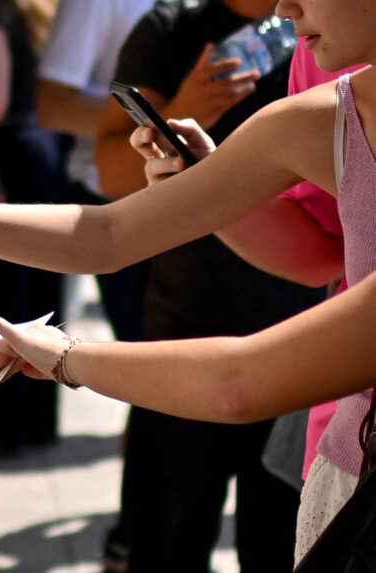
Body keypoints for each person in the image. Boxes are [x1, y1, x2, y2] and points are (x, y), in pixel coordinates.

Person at [0, 0, 376, 562]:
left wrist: (66, 358)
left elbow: (240, 382)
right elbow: (107, 234)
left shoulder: (324, 107)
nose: (282, 5)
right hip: (345, 461)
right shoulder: (321, 114)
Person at [93, 1, 326, 569]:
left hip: (306, 345)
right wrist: (185, 109)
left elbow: (328, 242)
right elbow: (109, 175)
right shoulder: (172, 27)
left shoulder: (329, 33)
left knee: (279, 551)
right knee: (166, 545)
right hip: (184, 336)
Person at [129, 41, 365, 486]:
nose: (284, 8)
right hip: (344, 430)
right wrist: (207, 181)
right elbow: (324, 250)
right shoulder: (316, 57)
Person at [0, 0, 67, 451]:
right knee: (40, 290)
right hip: (41, 146)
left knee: (8, 293)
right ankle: (36, 423)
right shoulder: (36, 10)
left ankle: (5, 427)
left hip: (13, 154)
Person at [36, 0, 154, 345]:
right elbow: (53, 105)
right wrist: (166, 120)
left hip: (192, 196)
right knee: (152, 366)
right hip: (114, 198)